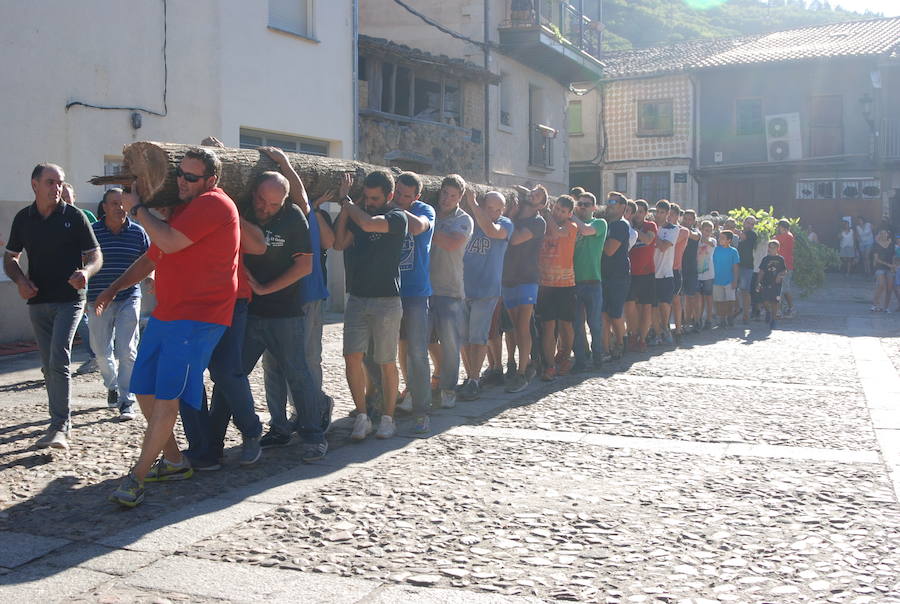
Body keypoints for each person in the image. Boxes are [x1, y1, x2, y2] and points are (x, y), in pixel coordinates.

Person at [104, 147, 239, 507]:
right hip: (168, 314)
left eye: (191, 177)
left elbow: (169, 241)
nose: (182, 181)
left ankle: (137, 477)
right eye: (181, 174)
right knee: (144, 389)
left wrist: (138, 211)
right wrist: (115, 286)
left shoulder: (214, 204)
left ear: (211, 180)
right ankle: (176, 462)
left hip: (199, 319)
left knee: (167, 398)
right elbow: (153, 256)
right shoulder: (184, 209)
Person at [4, 163, 102, 450]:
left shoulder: (73, 216)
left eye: (59, 182)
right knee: (48, 365)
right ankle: (57, 420)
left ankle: (61, 424)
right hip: (37, 300)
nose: (56, 188)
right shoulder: (24, 218)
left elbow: (96, 254)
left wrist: (86, 272)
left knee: (59, 357)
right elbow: (10, 258)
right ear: (35, 184)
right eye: (50, 182)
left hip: (70, 299)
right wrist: (20, 280)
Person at [237, 170, 328, 462]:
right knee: (235, 375)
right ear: (254, 194)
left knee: (298, 374)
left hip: (287, 313)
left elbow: (304, 267)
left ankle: (313, 436)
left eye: (273, 204)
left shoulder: (294, 217)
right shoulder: (245, 208)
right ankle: (272, 430)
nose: (265, 208)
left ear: (284, 201)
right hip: (249, 312)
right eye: (262, 201)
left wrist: (265, 289)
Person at [256, 146, 335, 449]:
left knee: (303, 360)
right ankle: (279, 425)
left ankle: (314, 409)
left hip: (307, 297)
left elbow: (300, 194)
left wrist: (285, 163)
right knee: (272, 364)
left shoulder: (302, 212)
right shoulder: (263, 215)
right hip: (274, 301)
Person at [334, 170, 408, 441]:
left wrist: (347, 204)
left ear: (389, 197)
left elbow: (367, 224)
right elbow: (339, 243)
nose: (369, 202)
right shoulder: (356, 212)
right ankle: (362, 417)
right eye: (365, 197)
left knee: (386, 360)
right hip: (357, 297)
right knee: (352, 356)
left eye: (375, 198)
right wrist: (345, 208)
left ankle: (388, 418)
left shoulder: (397, 217)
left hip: (387, 301)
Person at [87, 188, 150, 421]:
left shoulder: (138, 232)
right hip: (97, 299)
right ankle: (112, 384)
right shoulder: (91, 233)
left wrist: (151, 279)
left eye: (122, 203)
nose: (120, 207)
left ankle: (126, 400)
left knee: (127, 350)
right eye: (114, 203)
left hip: (129, 298)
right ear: (104, 207)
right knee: (101, 352)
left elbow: (149, 260)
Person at [379, 171, 434, 433]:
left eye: (406, 196)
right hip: (387, 291)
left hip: (415, 293)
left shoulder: (425, 210)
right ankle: (379, 403)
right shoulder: (385, 205)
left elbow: (417, 226)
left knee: (418, 353)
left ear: (417, 197)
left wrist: (391, 206)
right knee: (381, 352)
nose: (400, 199)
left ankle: (422, 410)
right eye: (397, 192)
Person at [458, 190, 513, 399]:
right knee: (463, 337)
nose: (495, 213)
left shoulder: (506, 224)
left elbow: (491, 231)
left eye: (499, 209)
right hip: (463, 288)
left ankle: (474, 380)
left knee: (478, 336)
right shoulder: (468, 222)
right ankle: (471, 376)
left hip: (487, 291)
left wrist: (472, 204)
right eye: (490, 208)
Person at [428, 175, 474, 408]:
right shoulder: (430, 211)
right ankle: (436, 375)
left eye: (452, 195)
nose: (446, 199)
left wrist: (423, 227)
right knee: (422, 341)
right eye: (444, 193)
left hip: (451, 290)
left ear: (460, 198)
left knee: (450, 344)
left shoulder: (464, 219)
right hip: (424, 289)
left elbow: (451, 243)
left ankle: (448, 389)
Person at [501, 185, 547, 392]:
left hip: (528, 278)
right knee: (513, 325)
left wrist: (509, 218)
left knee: (522, 325)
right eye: (533, 191)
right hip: (508, 277)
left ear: (542, 204)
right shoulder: (516, 217)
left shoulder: (538, 222)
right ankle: (525, 364)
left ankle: (521, 372)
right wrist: (510, 215)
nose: (534, 194)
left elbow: (516, 239)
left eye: (539, 195)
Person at [536, 195, 579, 380]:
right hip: (545, 283)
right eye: (556, 208)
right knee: (548, 325)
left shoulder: (571, 226)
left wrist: (546, 213)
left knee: (566, 324)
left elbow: (556, 232)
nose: (557, 212)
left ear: (570, 214)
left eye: (562, 210)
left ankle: (565, 357)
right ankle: (550, 365)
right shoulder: (544, 222)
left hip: (565, 283)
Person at [61, 182, 99, 373]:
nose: (66, 200)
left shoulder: (85, 216)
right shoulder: (54, 217)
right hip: (60, 275)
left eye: (69, 196)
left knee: (81, 315)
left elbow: (95, 246)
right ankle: (56, 359)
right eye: (63, 197)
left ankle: (94, 355)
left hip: (84, 273)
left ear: (74, 196)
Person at [572, 192, 607, 371]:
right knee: (577, 326)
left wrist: (571, 215)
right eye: (580, 204)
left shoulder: (600, 223)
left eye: (587, 204)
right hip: (574, 283)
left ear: (594, 207)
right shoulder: (572, 225)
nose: (583, 207)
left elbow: (586, 231)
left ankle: (597, 357)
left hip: (593, 282)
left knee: (594, 324)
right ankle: (580, 361)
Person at [600, 192, 631, 360]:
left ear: (622, 207)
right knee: (603, 314)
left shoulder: (620, 225)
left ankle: (620, 343)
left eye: (613, 201)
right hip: (603, 275)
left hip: (618, 277)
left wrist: (596, 237)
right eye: (608, 200)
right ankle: (605, 350)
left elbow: (609, 250)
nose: (609, 204)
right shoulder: (606, 223)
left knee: (615, 314)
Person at [625, 200, 658, 352]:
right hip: (631, 273)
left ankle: (642, 339)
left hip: (647, 273)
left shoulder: (650, 226)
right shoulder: (626, 225)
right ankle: (633, 333)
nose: (637, 214)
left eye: (640, 211)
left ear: (645, 213)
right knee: (630, 305)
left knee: (646, 307)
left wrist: (634, 230)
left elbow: (648, 239)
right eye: (635, 211)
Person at [651, 200, 678, 345]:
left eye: (662, 212)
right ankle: (657, 333)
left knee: (665, 304)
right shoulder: (650, 226)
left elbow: (663, 247)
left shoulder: (673, 229)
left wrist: (653, 233)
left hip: (666, 272)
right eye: (657, 212)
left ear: (667, 214)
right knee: (653, 305)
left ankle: (665, 327)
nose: (659, 215)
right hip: (650, 272)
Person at [669, 204, 690, 342]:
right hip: (660, 268)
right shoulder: (661, 229)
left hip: (674, 269)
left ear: (677, 216)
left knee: (675, 300)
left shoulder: (683, 231)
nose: (668, 217)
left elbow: (670, 242)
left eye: (671, 214)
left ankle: (678, 328)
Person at [712, 230, 740, 327]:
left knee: (730, 301)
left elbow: (735, 267)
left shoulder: (733, 251)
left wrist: (735, 280)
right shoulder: (715, 250)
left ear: (729, 240)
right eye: (720, 237)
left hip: (729, 279)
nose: (720, 239)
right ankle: (722, 319)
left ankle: (730, 316)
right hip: (717, 279)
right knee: (719, 301)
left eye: (723, 238)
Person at [757, 239, 787, 329]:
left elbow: (785, 271)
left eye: (773, 247)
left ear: (778, 248)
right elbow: (761, 271)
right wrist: (758, 282)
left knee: (775, 302)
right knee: (765, 300)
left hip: (776, 284)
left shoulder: (780, 259)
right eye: (770, 247)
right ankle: (768, 312)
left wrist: (780, 275)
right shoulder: (765, 259)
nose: (771, 249)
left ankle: (773, 320)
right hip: (765, 282)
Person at [680, 210, 701, 333]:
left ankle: (693, 320)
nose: (687, 221)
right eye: (685, 218)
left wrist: (681, 229)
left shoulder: (696, 232)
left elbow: (693, 236)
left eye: (690, 219)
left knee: (691, 296)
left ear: (693, 221)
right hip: (680, 266)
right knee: (679, 298)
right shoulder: (679, 230)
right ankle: (683, 322)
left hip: (691, 267)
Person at [737, 216, 758, 324]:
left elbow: (743, 237)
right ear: (743, 222)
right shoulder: (739, 233)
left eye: (752, 224)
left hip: (747, 266)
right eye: (748, 223)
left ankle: (746, 315)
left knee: (745, 291)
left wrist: (732, 229)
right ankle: (734, 312)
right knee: (734, 290)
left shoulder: (752, 234)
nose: (750, 225)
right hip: (736, 265)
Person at [697, 220, 716, 329]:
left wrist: (701, 237)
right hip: (698, 273)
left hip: (709, 274)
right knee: (700, 298)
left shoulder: (712, 240)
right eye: (705, 230)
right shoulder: (697, 240)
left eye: (710, 231)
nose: (707, 232)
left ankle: (708, 319)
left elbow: (711, 244)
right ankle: (698, 318)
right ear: (701, 230)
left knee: (708, 297)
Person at [774, 220, 796, 317]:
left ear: (782, 227)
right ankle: (788, 309)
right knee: (784, 289)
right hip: (784, 265)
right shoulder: (789, 235)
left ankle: (780, 311)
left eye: (778, 227)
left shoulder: (787, 236)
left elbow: (774, 240)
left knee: (781, 289)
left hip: (784, 266)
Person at [872, 227, 894, 312]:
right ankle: (874, 303)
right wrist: (888, 264)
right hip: (880, 267)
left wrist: (893, 267)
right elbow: (876, 259)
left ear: (888, 234)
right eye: (881, 233)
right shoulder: (876, 245)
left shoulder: (891, 244)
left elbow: (893, 256)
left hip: (890, 268)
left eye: (885, 233)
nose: (883, 235)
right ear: (879, 235)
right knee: (881, 285)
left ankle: (886, 307)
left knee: (889, 288)